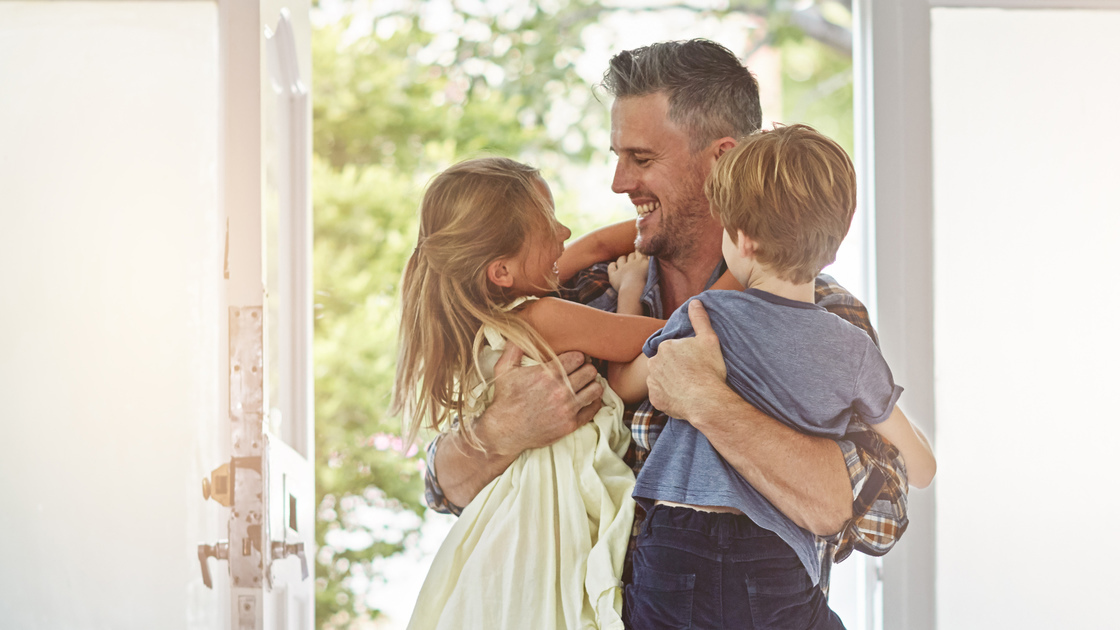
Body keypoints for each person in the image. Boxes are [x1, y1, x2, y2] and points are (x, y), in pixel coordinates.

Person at [423, 38, 910, 609]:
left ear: (721, 159)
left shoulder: (823, 316)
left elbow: (881, 516)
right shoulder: (581, 297)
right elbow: (441, 487)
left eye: (642, 159)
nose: (618, 182)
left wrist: (712, 403)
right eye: (617, 156)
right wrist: (497, 433)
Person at [607, 123, 936, 628]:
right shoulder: (852, 347)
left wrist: (629, 289)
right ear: (840, 234)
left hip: (677, 541)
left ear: (740, 239)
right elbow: (921, 467)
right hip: (778, 555)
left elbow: (623, 384)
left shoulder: (704, 316)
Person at [394, 157, 695, 629]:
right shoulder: (545, 315)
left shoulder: (494, 317)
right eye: (547, 224)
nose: (565, 230)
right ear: (501, 271)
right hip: (543, 529)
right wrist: (748, 262)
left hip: (505, 537)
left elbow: (595, 244)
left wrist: (676, 228)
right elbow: (676, 333)